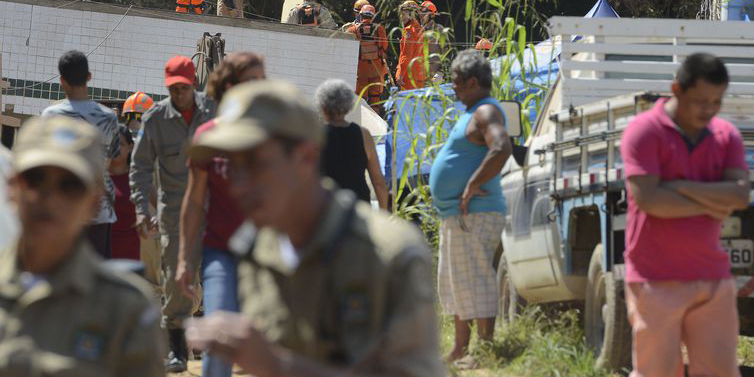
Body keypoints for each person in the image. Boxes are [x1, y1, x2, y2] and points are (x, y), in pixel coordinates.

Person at [184, 80, 444, 377]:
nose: (238, 185)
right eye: (231, 166)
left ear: (306, 157)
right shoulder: (255, 251)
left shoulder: (388, 253)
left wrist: (279, 367)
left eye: (255, 163)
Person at [0, 116, 164, 376]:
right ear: (11, 188)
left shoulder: (126, 309)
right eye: (35, 179)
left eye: (70, 185)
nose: (49, 198)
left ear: (94, 202)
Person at [621, 53, 749, 376]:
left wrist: (679, 187)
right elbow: (650, 199)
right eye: (701, 101)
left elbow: (739, 195)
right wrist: (713, 200)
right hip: (654, 280)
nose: (709, 110)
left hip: (713, 281)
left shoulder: (726, 136)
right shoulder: (643, 131)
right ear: (676, 89)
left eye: (717, 102)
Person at [176, 51, 266, 377]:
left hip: (266, 256)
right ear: (230, 85)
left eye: (262, 81)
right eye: (251, 81)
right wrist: (185, 260)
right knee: (219, 335)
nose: (260, 88)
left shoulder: (270, 136)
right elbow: (195, 201)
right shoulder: (207, 137)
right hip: (221, 253)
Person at [129, 55, 216, 373]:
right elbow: (138, 167)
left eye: (183, 87)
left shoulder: (212, 112)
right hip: (167, 212)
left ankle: (187, 347)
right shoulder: (155, 120)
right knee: (168, 281)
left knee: (191, 284)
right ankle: (176, 350)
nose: (177, 94)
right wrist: (141, 209)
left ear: (193, 83)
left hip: (205, 212)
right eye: (172, 88)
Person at [429, 50, 512, 364]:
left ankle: (484, 349)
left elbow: (501, 146)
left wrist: (473, 184)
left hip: (477, 211)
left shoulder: (486, 111)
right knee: (455, 281)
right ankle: (460, 349)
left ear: (473, 82)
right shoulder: (471, 112)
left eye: (457, 82)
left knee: (476, 278)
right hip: (458, 214)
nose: (453, 88)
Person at [42, 50, 120, 260]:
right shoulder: (108, 118)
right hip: (98, 210)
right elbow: (111, 163)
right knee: (95, 283)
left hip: (61, 211)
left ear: (62, 81)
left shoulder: (50, 117)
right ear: (89, 77)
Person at [315, 79, 388, 209]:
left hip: (327, 210)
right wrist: (384, 215)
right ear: (349, 106)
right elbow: (378, 182)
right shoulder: (364, 135)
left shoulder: (316, 136)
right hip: (359, 209)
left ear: (322, 107)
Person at [122, 91, 162, 297]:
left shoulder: (119, 145)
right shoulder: (156, 146)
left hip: (122, 224)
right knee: (152, 284)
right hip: (151, 225)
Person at [346, 4, 388, 112]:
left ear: (360, 15)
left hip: (360, 70)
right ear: (373, 16)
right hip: (376, 69)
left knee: (361, 97)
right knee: (375, 97)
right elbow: (384, 47)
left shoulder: (352, 30)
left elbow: (349, 50)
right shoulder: (380, 29)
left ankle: (361, 119)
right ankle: (376, 120)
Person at [109, 126, 139, 260]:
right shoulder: (96, 177)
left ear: (130, 147)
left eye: (120, 144)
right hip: (98, 253)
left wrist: (153, 221)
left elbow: (160, 206)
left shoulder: (138, 178)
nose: (115, 148)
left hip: (129, 253)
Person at [396, 0, 426, 90]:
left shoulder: (409, 30)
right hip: (420, 75)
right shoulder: (420, 29)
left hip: (409, 76)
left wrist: (400, 75)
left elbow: (406, 55)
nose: (402, 17)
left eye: (404, 14)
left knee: (408, 102)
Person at [419, 1, 445, 83]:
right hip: (420, 77)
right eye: (420, 14)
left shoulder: (439, 30)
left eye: (424, 14)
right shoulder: (418, 31)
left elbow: (447, 53)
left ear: (432, 15)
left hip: (435, 77)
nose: (421, 16)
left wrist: (440, 73)